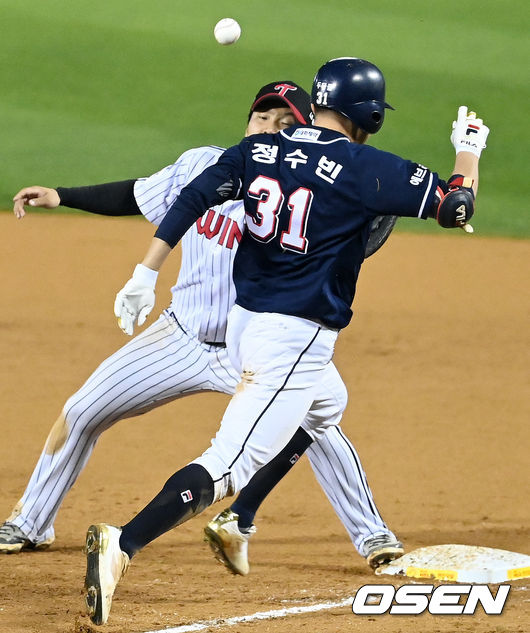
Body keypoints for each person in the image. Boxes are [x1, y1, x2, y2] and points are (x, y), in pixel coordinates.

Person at [81, 57, 489, 625]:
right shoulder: (364, 166)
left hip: (246, 322)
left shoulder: (261, 149)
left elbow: (194, 197)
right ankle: (123, 545)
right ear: (369, 112)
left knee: (328, 403)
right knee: (227, 464)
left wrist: (145, 271)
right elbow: (456, 206)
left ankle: (239, 518)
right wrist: (468, 148)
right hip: (293, 338)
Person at [4, 80, 402, 580]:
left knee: (318, 421)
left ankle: (372, 535)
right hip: (180, 336)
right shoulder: (203, 165)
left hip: (255, 344)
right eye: (263, 118)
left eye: (285, 123)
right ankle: (30, 522)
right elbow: (142, 194)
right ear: (249, 121)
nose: (270, 127)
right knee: (82, 410)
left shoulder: (317, 189)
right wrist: (63, 195)